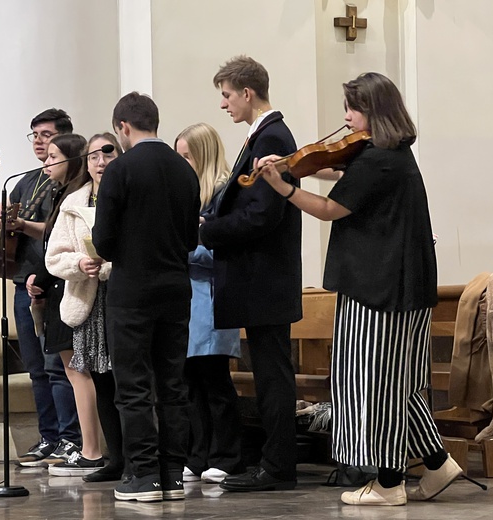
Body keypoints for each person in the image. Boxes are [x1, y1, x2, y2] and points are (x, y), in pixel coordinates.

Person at [257, 71, 462, 506]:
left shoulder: (376, 161)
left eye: (352, 108)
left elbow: (331, 209)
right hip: (405, 288)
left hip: (379, 289)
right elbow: (340, 173)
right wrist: (303, 167)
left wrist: (284, 187)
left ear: (373, 111)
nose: (346, 117)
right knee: (399, 384)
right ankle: (437, 462)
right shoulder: (393, 156)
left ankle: (388, 484)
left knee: (369, 384)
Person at [198, 56, 302, 492]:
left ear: (247, 93)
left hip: (265, 278)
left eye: (226, 95)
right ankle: (274, 464)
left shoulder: (273, 135)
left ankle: (278, 468)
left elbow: (262, 215)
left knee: (274, 377)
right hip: (259, 278)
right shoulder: (260, 136)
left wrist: (208, 230)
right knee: (269, 374)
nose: (223, 104)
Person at [93, 92, 200, 502]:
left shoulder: (120, 170)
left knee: (134, 385)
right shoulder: (184, 170)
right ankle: (173, 473)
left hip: (132, 291)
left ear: (122, 127)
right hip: (176, 289)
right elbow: (191, 238)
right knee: (172, 384)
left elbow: (103, 240)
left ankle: (143, 476)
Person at [0, 109, 80, 467]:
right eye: (34, 134)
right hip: (23, 281)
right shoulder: (27, 179)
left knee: (58, 366)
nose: (38, 140)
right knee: (36, 368)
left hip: (55, 283)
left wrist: (21, 223)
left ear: (64, 139)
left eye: (46, 134)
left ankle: (71, 438)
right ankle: (49, 437)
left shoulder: (71, 182)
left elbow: (51, 228)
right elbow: (1, 213)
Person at [45, 133, 125, 481]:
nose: (100, 162)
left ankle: (139, 459)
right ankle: (115, 459)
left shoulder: (128, 194)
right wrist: (80, 263)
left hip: (122, 294)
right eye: (93, 156)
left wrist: (109, 264)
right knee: (100, 380)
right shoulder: (73, 202)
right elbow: (54, 256)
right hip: (87, 300)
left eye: (107, 153)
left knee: (127, 381)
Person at [174, 123, 245, 484]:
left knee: (215, 381)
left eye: (187, 156)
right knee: (190, 384)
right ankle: (196, 454)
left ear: (203, 155)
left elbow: (219, 248)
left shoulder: (221, 192)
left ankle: (227, 455)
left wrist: (179, 250)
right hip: (186, 300)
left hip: (212, 298)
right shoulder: (186, 194)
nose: (182, 163)